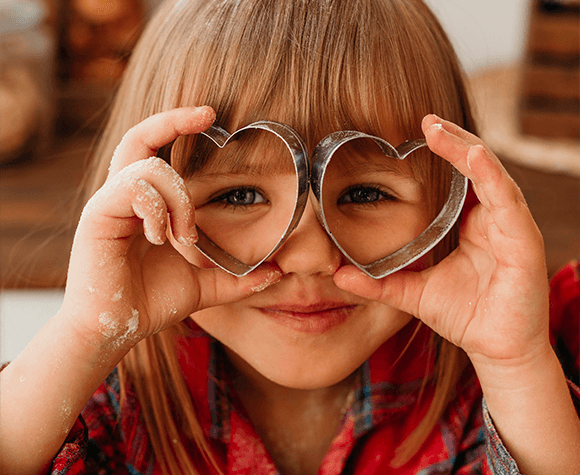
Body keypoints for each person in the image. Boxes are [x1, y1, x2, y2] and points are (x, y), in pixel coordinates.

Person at [1, 0, 579, 474]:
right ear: (148, 206)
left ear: (456, 205)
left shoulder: (530, 361)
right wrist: (84, 334)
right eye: (240, 195)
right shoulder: (104, 396)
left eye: (366, 194)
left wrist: (516, 365)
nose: (310, 255)